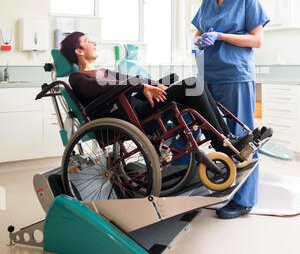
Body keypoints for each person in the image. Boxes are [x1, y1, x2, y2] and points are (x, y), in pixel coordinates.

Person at [60, 31, 255, 159]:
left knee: (177, 79)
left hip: (135, 108)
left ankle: (227, 137)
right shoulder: (77, 78)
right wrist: (141, 87)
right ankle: (223, 144)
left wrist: (155, 85)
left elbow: (129, 79)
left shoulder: (102, 71)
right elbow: (103, 88)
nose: (93, 43)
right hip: (128, 117)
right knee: (193, 85)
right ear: (78, 51)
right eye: (87, 41)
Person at [192, 0, 270, 219]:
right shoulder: (207, 1)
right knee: (218, 137)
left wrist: (223, 36)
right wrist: (200, 40)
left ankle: (244, 200)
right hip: (208, 75)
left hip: (235, 75)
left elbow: (257, 40)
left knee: (241, 137)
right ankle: (224, 188)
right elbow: (198, 33)